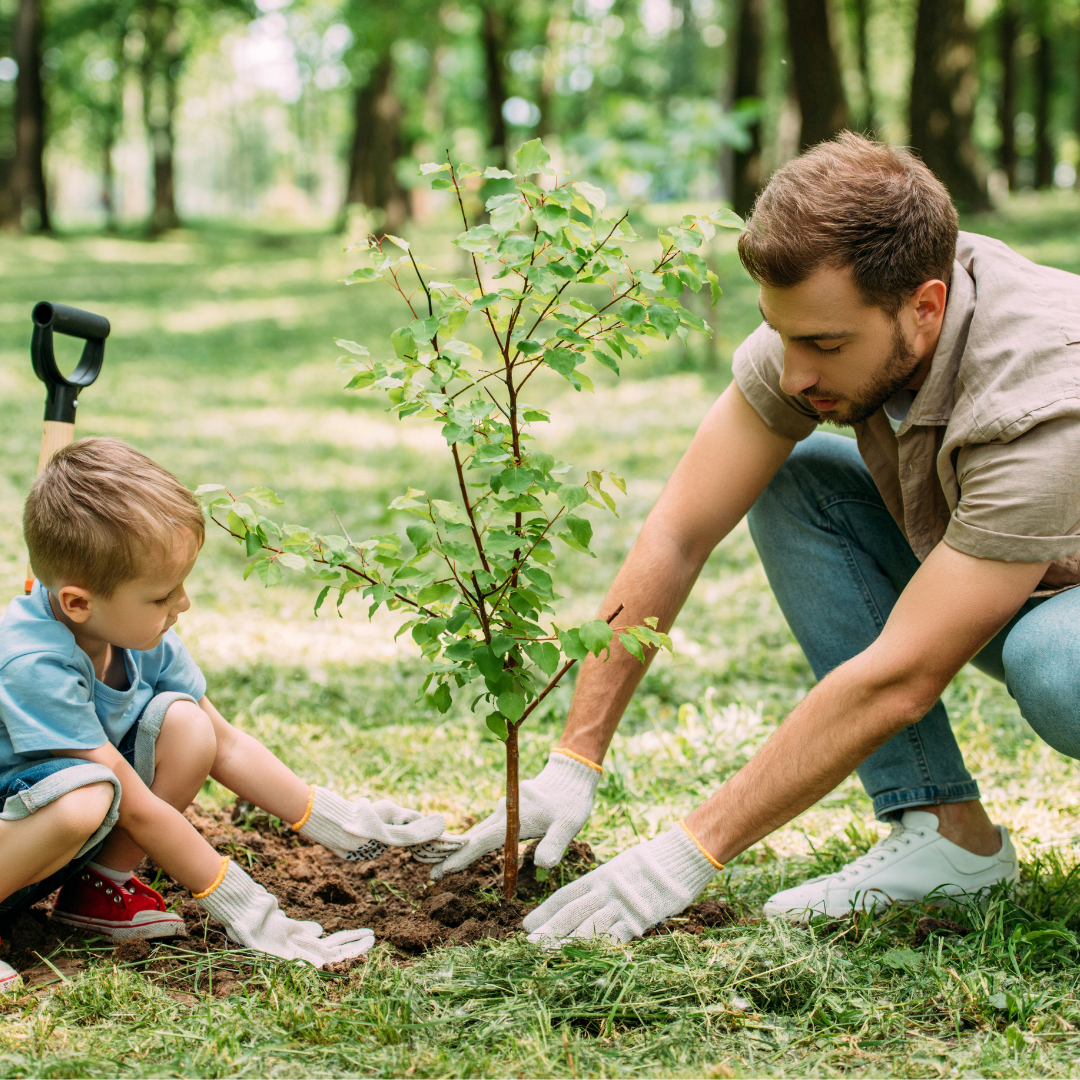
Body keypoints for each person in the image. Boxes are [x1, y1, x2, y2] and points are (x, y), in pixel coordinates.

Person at [433, 132, 1080, 943]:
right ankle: (947, 838)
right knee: (795, 473)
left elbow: (903, 677)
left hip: (1063, 610)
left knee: (1058, 665)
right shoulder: (831, 321)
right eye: (783, 334)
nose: (795, 372)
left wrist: (687, 852)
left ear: (926, 306)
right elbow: (679, 531)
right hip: (1020, 571)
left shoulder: (1045, 399)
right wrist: (575, 758)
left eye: (825, 345)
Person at [0, 438, 459, 990]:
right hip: (22, 828)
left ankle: (99, 889)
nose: (183, 604)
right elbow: (139, 809)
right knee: (88, 798)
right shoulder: (34, 663)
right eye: (162, 595)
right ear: (78, 603)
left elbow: (226, 743)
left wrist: (340, 822)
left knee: (188, 727)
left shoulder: (134, 633)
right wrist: (249, 909)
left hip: (35, 843)